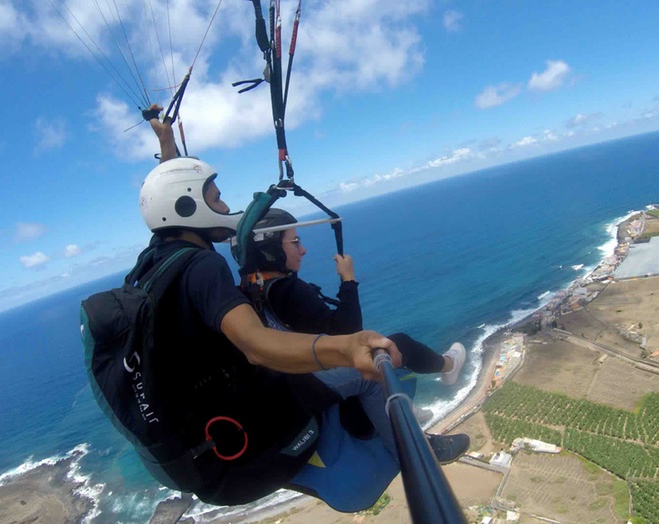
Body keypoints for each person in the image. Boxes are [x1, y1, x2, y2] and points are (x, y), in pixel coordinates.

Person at [135, 104, 468, 506]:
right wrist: (342, 345)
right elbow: (255, 343)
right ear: (191, 208)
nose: (224, 206)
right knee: (371, 367)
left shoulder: (155, 266)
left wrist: (168, 147)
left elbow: (173, 200)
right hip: (253, 409)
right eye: (217, 198)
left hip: (199, 436)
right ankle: (420, 452)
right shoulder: (204, 267)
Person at [241, 208, 467, 393]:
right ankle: (448, 365)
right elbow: (349, 331)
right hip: (318, 380)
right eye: (295, 242)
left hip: (299, 377)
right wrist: (348, 278)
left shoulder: (254, 288)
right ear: (271, 249)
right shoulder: (286, 290)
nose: (303, 250)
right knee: (396, 344)